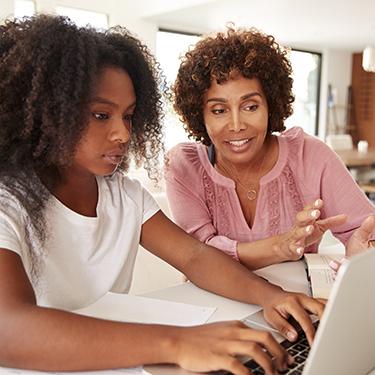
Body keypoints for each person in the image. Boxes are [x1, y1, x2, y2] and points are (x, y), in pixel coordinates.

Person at [0, 15, 327, 375]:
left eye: (128, 116)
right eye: (100, 115)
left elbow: (194, 257)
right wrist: (177, 343)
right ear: (48, 113)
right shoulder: (8, 203)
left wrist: (271, 297)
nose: (122, 134)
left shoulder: (124, 196)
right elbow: (10, 330)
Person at [165, 24, 375, 272]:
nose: (236, 125)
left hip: (295, 305)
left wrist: (362, 256)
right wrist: (281, 246)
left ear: (270, 105)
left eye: (250, 106)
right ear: (200, 116)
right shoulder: (184, 166)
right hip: (212, 308)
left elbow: (364, 232)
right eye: (219, 110)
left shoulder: (310, 156)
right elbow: (198, 254)